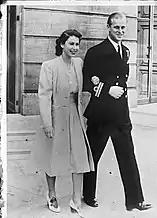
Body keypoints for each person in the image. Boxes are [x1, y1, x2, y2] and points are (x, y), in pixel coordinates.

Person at [82, 12, 152, 211]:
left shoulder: (126, 51)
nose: (120, 31)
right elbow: (88, 81)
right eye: (116, 27)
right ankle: (88, 195)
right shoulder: (96, 52)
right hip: (101, 116)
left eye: (123, 27)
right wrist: (106, 89)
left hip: (120, 115)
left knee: (128, 157)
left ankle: (135, 201)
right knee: (93, 156)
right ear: (108, 27)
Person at [35, 29, 94, 217]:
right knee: (54, 156)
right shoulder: (49, 66)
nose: (75, 48)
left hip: (75, 115)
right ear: (62, 45)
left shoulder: (79, 63)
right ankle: (52, 194)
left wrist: (82, 114)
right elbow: (44, 96)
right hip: (56, 115)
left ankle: (76, 200)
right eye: (71, 44)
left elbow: (83, 90)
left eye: (77, 44)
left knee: (79, 156)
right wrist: (47, 124)